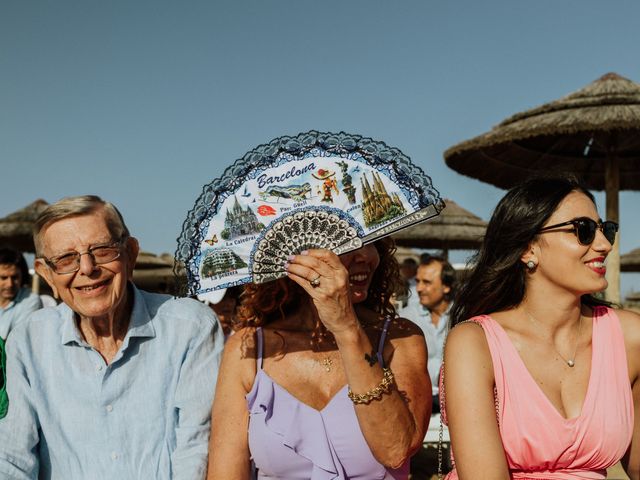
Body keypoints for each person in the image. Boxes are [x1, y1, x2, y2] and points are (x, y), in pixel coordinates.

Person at [0, 195, 224, 479]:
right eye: (66, 258)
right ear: (47, 275)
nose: (87, 268)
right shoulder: (28, 340)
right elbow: (11, 458)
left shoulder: (191, 327)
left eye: (103, 250)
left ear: (130, 253)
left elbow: (196, 452)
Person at [441, 175, 640, 479]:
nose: (604, 245)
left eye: (606, 230)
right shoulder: (475, 343)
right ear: (528, 249)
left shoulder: (629, 337)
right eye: (582, 230)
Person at [207, 237, 431, 479]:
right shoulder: (249, 348)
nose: (366, 256)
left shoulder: (400, 338)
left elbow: (395, 450)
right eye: (346, 242)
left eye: (372, 241)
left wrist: (346, 328)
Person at [400, 255, 455, 414]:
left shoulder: (463, 316)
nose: (418, 288)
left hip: (455, 401)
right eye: (417, 281)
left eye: (427, 282)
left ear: (446, 286)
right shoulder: (405, 319)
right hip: (416, 403)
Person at [0, 247, 43, 340]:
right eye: (3, 278)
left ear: (22, 276)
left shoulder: (31, 301)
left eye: (15, 277)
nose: (10, 284)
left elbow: (17, 339)